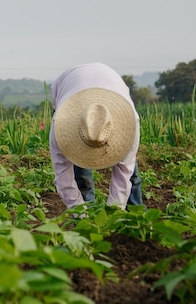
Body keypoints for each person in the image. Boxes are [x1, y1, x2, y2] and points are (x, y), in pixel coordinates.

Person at [49, 62, 144, 210]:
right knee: (79, 169)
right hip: (67, 86)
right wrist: (80, 214)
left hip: (112, 82)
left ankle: (135, 215)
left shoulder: (130, 122)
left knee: (130, 173)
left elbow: (124, 173)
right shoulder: (59, 125)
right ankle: (88, 212)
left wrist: (113, 214)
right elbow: (63, 177)